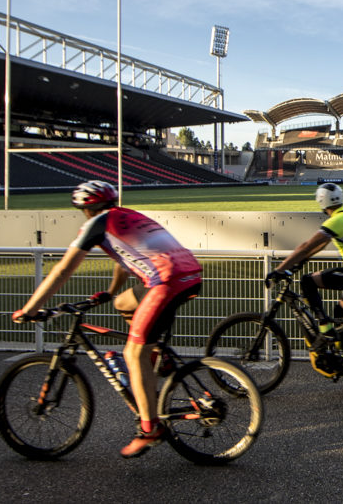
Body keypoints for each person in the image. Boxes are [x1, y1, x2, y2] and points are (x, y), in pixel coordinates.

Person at [12, 180, 202, 459]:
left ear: (85, 209)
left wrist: (30, 309)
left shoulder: (95, 224)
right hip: (188, 273)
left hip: (166, 281)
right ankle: (160, 356)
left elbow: (63, 270)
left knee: (133, 352)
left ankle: (150, 430)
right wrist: (111, 292)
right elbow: (122, 260)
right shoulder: (127, 216)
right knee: (123, 303)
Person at [269, 182, 343, 375]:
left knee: (307, 281)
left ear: (322, 202)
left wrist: (280, 269)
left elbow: (306, 245)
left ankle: (325, 329)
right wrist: (302, 260)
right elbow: (318, 246)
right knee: (340, 312)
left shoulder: (336, 220)